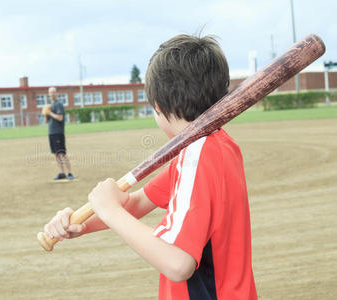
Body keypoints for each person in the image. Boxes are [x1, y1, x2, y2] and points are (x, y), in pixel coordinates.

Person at [43, 35, 257, 299]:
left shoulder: (198, 155)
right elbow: (137, 202)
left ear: (158, 106)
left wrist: (110, 210)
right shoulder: (214, 147)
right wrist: (81, 222)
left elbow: (178, 263)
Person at [42, 86, 74, 180]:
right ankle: (62, 173)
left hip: (58, 132)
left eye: (53, 92)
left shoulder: (58, 104)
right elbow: (47, 121)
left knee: (62, 153)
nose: (51, 94)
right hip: (51, 132)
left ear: (56, 93)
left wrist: (49, 112)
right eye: (50, 92)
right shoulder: (51, 105)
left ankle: (69, 173)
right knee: (56, 154)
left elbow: (60, 118)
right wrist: (46, 114)